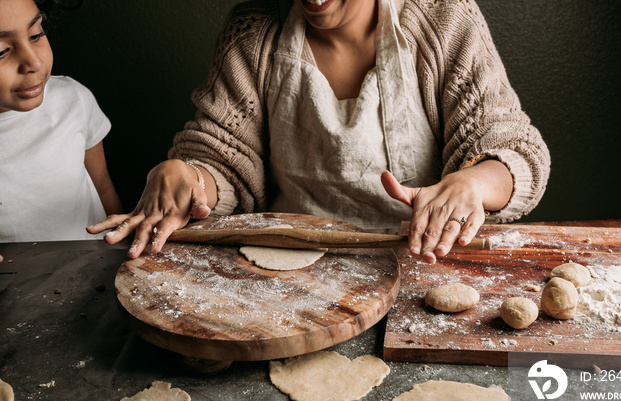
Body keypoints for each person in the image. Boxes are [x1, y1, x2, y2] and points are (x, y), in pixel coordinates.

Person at [89, 0, 550, 263]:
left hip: (420, 264)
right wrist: (187, 176)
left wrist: (472, 183)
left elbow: (512, 148)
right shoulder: (253, 34)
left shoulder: (445, 20)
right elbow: (223, 163)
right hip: (286, 275)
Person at [0, 0, 122, 243]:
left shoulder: (73, 99)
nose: (35, 63)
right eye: (1, 51)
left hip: (94, 269)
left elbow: (103, 185)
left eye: (35, 35)